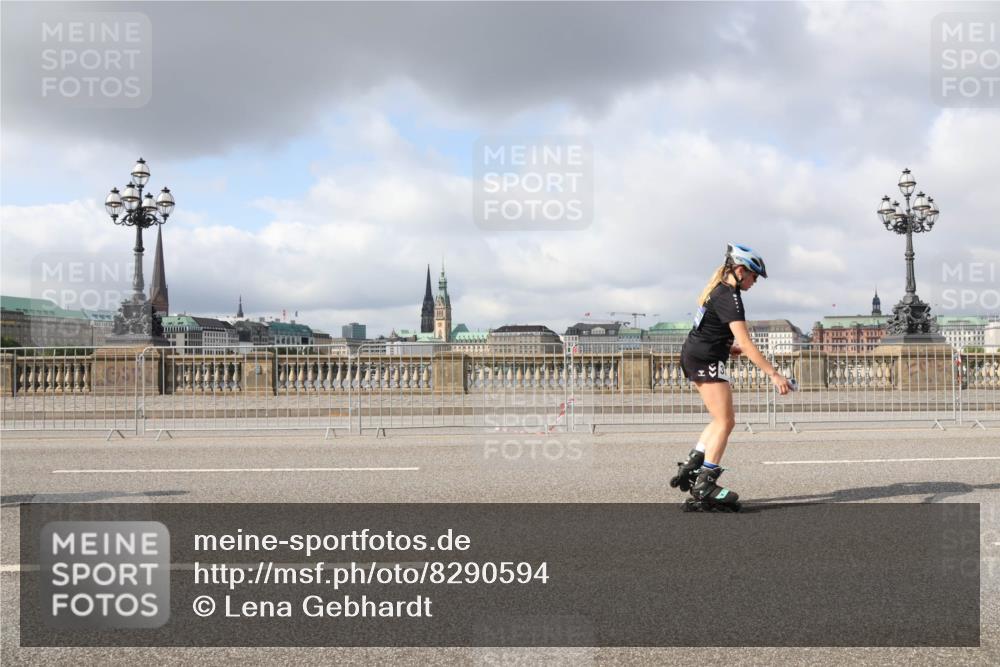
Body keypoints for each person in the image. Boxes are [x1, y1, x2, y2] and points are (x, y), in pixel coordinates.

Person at [669, 243, 792, 512]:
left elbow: (707, 329)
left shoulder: (719, 290)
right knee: (726, 421)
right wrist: (774, 374)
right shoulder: (730, 297)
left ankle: (693, 465)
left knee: (719, 419)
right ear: (739, 270)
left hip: (698, 355)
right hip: (706, 359)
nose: (754, 282)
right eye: (753, 276)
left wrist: (726, 347)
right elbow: (746, 343)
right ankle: (705, 483)